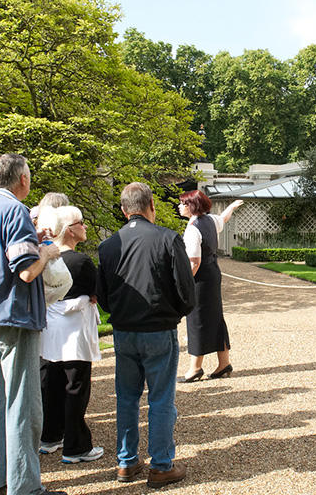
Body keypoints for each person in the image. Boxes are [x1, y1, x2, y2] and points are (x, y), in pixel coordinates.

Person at [0, 154, 65, 495]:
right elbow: (26, 271)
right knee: (23, 405)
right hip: (13, 316)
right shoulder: (15, 211)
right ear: (22, 178)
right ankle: (24, 487)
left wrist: (32, 238)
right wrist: (47, 252)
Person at [96, 182, 196, 488]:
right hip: (158, 329)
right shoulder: (168, 238)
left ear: (125, 211)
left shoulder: (109, 245)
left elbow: (102, 295)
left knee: (126, 398)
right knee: (161, 398)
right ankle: (161, 465)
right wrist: (176, 313)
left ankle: (126, 462)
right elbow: (185, 289)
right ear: (151, 205)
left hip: (125, 331)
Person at [36, 206, 104, 464]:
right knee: (75, 387)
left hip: (49, 329)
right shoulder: (81, 262)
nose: (84, 227)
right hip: (74, 331)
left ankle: (50, 435)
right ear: (69, 229)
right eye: (81, 223)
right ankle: (76, 446)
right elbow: (96, 293)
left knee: (51, 384)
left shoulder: (44, 258)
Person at [176, 193, 243, 382]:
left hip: (200, 277)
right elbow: (224, 218)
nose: (179, 206)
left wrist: (183, 283)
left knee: (197, 320)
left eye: (183, 203)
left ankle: (195, 368)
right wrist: (231, 207)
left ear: (192, 206)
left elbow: (194, 263)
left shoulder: (192, 229)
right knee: (216, 317)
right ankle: (224, 364)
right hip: (213, 273)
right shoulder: (211, 220)